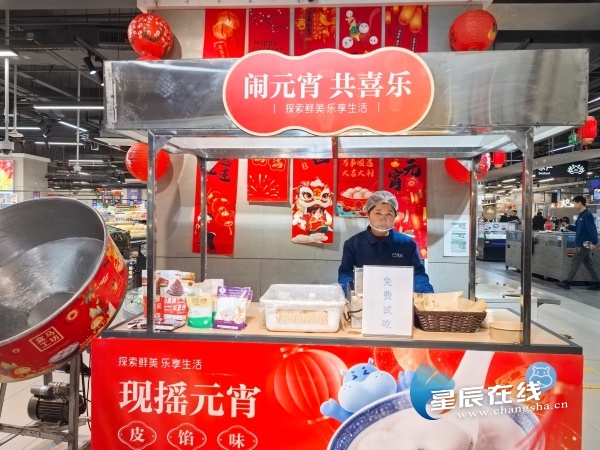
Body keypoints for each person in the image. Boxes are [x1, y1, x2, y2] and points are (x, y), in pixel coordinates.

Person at [338, 190, 434, 294]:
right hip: (366, 298)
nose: (383, 219)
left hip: (398, 297)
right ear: (368, 214)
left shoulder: (408, 244)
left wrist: (426, 293)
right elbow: (345, 273)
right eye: (378, 213)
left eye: (389, 214)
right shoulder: (353, 244)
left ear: (395, 216)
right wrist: (352, 291)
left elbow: (418, 274)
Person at [555, 196, 600, 291]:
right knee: (588, 263)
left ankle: (567, 282)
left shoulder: (587, 215)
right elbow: (577, 228)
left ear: (580, 203)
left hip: (584, 243)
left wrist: (594, 242)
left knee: (575, 262)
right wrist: (568, 226)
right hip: (581, 242)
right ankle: (597, 282)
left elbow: (592, 228)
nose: (574, 206)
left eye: (574, 203)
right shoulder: (580, 215)